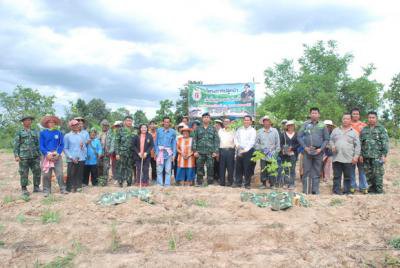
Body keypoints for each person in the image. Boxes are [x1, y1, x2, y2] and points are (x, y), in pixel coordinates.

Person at [297, 107, 330, 194]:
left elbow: (326, 139)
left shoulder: (323, 125)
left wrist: (320, 149)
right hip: (307, 151)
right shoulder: (305, 124)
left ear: (319, 115)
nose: (314, 114)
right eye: (312, 113)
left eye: (316, 113)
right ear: (310, 114)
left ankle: (315, 191)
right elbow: (299, 136)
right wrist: (305, 147)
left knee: (317, 170)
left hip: (318, 151)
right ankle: (306, 190)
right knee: (306, 170)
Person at [330, 114, 361, 195]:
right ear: (342, 119)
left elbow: (357, 146)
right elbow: (331, 140)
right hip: (337, 157)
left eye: (347, 119)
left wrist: (356, 157)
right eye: (344, 119)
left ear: (350, 120)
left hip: (349, 158)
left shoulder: (354, 132)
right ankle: (336, 191)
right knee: (336, 176)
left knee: (347, 177)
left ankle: (346, 191)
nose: (345, 120)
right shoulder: (335, 130)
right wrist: (332, 146)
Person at [360, 111, 389, 194]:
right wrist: (361, 155)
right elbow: (361, 143)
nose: (371, 119)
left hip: (377, 156)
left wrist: (384, 155)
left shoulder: (381, 129)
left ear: (376, 118)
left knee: (378, 174)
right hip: (366, 156)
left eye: (373, 117)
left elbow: (385, 143)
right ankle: (369, 191)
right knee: (368, 174)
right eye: (369, 117)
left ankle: (379, 191)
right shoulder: (364, 129)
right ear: (367, 118)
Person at [40, 115, 67, 196]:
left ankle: (63, 189)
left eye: (53, 122)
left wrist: (58, 153)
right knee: (46, 174)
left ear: (55, 123)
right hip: (46, 156)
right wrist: (46, 154)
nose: (51, 123)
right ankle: (46, 190)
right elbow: (41, 145)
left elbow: (61, 144)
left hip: (57, 156)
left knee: (60, 173)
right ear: (46, 124)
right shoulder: (43, 133)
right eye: (49, 122)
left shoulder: (58, 133)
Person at [13, 115, 41, 196]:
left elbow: (37, 144)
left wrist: (40, 154)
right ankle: (24, 189)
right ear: (23, 122)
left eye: (29, 120)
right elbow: (16, 145)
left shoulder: (34, 131)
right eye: (26, 120)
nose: (28, 122)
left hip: (35, 156)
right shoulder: (19, 132)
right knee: (24, 173)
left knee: (37, 171)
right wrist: (16, 155)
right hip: (23, 157)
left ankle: (36, 187)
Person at [192, 112, 220, 186]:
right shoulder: (198, 129)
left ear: (210, 119)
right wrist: (195, 151)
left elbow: (216, 141)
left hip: (210, 153)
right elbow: (194, 140)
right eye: (205, 117)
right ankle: (199, 182)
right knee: (199, 167)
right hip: (200, 152)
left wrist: (215, 151)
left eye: (207, 117)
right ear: (202, 119)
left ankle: (210, 182)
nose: (206, 118)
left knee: (210, 168)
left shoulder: (213, 129)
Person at [255, 116, 280, 189]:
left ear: (270, 122)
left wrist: (275, 153)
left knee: (272, 169)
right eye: (265, 121)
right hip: (263, 154)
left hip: (272, 154)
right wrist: (262, 149)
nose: (266, 123)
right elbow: (256, 143)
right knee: (263, 169)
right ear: (263, 123)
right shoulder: (259, 131)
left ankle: (272, 184)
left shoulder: (275, 131)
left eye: (268, 121)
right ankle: (263, 183)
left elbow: (277, 144)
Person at [64, 119, 87, 192]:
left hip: (81, 158)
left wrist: (82, 147)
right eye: (73, 125)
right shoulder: (67, 136)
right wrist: (71, 157)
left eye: (77, 125)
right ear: (70, 126)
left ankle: (78, 187)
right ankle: (70, 188)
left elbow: (85, 148)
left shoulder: (82, 136)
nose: (75, 126)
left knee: (79, 174)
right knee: (71, 174)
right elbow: (65, 148)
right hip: (71, 159)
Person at [233, 115, 256, 188]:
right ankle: (238, 182)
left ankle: (247, 184)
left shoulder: (253, 131)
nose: (246, 121)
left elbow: (252, 142)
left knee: (247, 167)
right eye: (245, 120)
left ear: (251, 122)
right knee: (238, 167)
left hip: (248, 151)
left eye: (248, 120)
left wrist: (245, 150)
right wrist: (237, 146)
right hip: (239, 149)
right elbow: (235, 138)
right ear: (243, 121)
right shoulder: (239, 129)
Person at [350, 108, 368, 194]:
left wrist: (362, 153)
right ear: (351, 115)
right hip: (350, 152)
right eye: (354, 114)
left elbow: (366, 140)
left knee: (362, 169)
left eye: (357, 114)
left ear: (359, 115)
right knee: (351, 169)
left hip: (361, 151)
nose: (355, 115)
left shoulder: (364, 125)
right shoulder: (347, 124)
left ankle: (363, 187)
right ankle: (353, 186)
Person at [115, 116, 136, 187]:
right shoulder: (120, 130)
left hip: (131, 153)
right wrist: (117, 153)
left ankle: (129, 182)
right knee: (121, 167)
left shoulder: (134, 131)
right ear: (124, 122)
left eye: (130, 121)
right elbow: (117, 142)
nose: (129, 122)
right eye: (128, 120)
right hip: (122, 153)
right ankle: (120, 182)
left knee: (130, 168)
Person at [155, 117, 176, 186]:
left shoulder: (173, 131)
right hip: (160, 152)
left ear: (169, 123)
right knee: (159, 169)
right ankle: (159, 184)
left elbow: (174, 143)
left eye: (168, 122)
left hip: (169, 153)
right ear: (163, 122)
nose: (166, 123)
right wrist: (156, 152)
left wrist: (174, 154)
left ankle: (167, 184)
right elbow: (156, 142)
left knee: (168, 169)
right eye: (165, 122)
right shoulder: (159, 130)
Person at [280, 120, 300, 190]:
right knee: (285, 168)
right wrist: (283, 148)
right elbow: (281, 143)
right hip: (284, 154)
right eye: (289, 125)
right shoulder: (283, 134)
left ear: (294, 126)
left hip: (293, 154)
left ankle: (291, 183)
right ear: (287, 126)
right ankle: (286, 183)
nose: (290, 127)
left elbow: (298, 144)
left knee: (292, 168)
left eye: (292, 125)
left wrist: (292, 148)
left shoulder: (297, 134)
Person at [218, 118, 236, 186]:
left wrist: (235, 154)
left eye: (228, 121)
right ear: (223, 123)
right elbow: (218, 141)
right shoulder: (220, 131)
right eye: (225, 121)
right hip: (222, 151)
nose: (226, 123)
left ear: (230, 123)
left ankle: (230, 182)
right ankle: (222, 182)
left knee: (230, 167)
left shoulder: (234, 131)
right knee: (222, 167)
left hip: (230, 151)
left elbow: (236, 142)